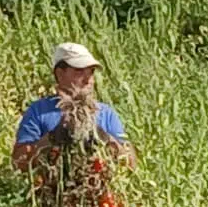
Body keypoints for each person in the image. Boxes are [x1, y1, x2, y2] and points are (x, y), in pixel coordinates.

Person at [11, 42, 136, 172]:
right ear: (60, 74)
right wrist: (51, 138)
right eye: (79, 71)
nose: (88, 80)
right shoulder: (39, 111)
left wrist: (106, 138)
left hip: (96, 189)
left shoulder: (105, 113)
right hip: (53, 190)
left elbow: (130, 164)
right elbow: (18, 161)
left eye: (91, 72)